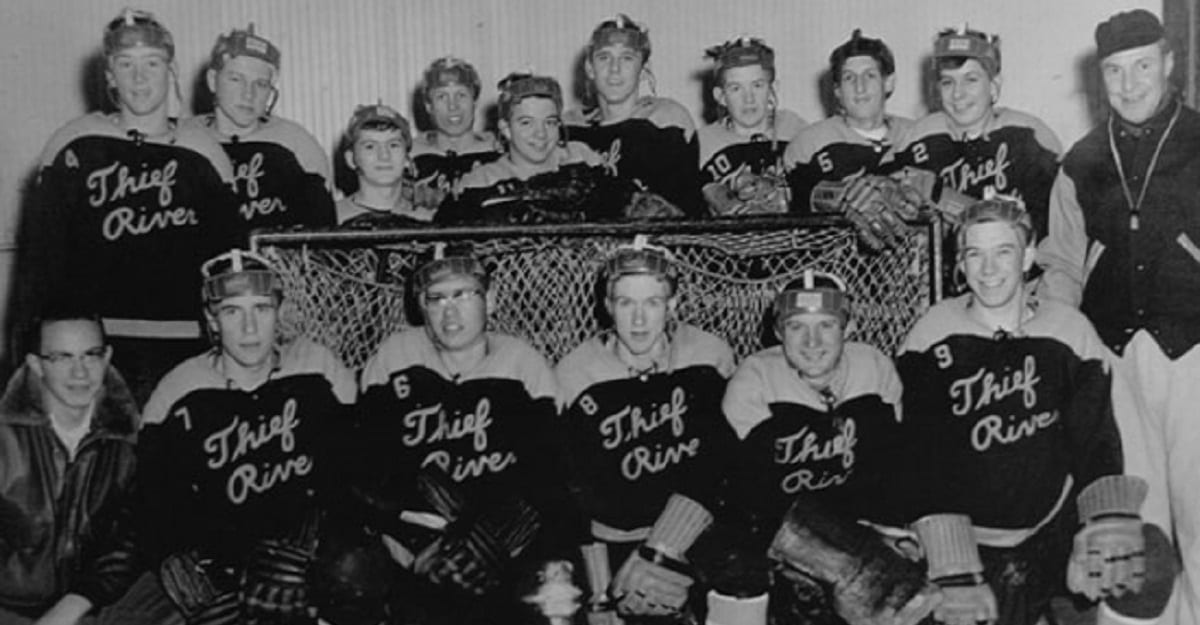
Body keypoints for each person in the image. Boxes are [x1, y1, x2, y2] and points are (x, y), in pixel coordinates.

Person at [898, 196, 1150, 625]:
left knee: (1142, 574)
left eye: (1003, 252)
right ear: (960, 262)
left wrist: (1108, 515)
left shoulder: (1068, 330)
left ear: (1028, 256)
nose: (989, 269)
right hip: (971, 545)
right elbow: (919, 458)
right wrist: (950, 561)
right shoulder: (931, 334)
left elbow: (1096, 437)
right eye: (974, 255)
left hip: (1053, 533)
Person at [1038, 9, 1197, 624]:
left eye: (1142, 68)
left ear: (1168, 64)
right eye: (1114, 72)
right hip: (1113, 359)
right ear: (1098, 78)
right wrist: (1064, 353)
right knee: (1130, 534)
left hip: (1194, 359)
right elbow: (1059, 264)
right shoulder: (1079, 160)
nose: (1130, 85)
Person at [23, 8, 241, 406]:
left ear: (171, 71)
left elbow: (227, 272)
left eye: (152, 64)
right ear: (109, 76)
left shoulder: (204, 155)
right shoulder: (75, 145)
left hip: (185, 353)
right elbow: (39, 272)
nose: (139, 78)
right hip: (95, 359)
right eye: (126, 65)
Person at [354, 244, 574, 624]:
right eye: (436, 299)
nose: (449, 312)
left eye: (462, 295)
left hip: (501, 546)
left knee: (554, 596)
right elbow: (364, 467)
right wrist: (407, 534)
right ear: (420, 306)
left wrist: (500, 539)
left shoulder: (522, 363)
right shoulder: (393, 357)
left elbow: (549, 473)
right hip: (419, 546)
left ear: (490, 299)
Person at [134, 248, 356, 623]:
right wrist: (174, 555)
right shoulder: (178, 390)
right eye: (232, 312)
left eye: (262, 309)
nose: (250, 328)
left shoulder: (319, 368)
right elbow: (153, 500)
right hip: (226, 569)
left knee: (358, 569)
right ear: (212, 320)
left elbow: (355, 470)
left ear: (279, 312)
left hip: (307, 560)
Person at [720, 271, 936, 625]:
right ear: (777, 332)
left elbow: (894, 468)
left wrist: (892, 531)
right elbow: (756, 500)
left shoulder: (874, 367)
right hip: (786, 544)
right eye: (796, 327)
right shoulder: (754, 378)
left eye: (826, 326)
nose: (812, 341)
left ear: (848, 328)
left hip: (865, 534)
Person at [554, 237, 737, 621]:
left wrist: (665, 549)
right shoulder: (575, 372)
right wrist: (600, 593)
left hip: (692, 536)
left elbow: (722, 463)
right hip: (613, 543)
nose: (639, 320)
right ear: (607, 307)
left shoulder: (708, 357)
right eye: (626, 303)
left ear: (672, 305)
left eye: (652, 303)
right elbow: (571, 493)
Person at [0, 307, 139, 624]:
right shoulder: (5, 437)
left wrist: (75, 605)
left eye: (91, 355)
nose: (80, 373)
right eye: (62, 358)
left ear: (107, 358)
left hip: (88, 607)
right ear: (36, 365)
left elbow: (129, 543)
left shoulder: (132, 442)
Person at [890, 26, 1062, 246]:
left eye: (971, 79)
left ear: (993, 86)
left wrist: (945, 198)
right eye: (947, 82)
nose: (958, 93)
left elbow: (1057, 233)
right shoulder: (916, 139)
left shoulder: (1030, 136)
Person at [185, 24, 336, 235]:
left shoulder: (295, 142)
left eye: (261, 84)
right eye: (236, 79)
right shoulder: (184, 137)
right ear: (212, 80)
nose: (249, 94)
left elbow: (322, 229)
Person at [564, 14, 703, 217]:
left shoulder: (666, 118)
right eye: (604, 57)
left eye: (627, 58)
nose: (614, 69)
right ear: (589, 68)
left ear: (644, 70)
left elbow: (676, 207)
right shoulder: (568, 126)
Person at [442, 72, 626, 223]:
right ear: (506, 129)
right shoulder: (481, 181)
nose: (541, 134)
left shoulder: (580, 158)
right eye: (526, 123)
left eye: (550, 122)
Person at [785, 29, 913, 214]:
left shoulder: (916, 136)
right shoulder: (808, 144)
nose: (859, 87)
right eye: (849, 77)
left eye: (869, 75)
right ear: (837, 90)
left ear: (888, 82)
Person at [698, 36, 805, 216]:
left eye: (757, 85)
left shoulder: (796, 130)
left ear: (773, 89)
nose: (748, 99)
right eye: (736, 88)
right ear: (720, 96)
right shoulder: (702, 143)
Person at [410, 56, 502, 198]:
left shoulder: (500, 155)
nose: (453, 106)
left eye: (461, 95)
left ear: (475, 101)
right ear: (429, 106)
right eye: (442, 97)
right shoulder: (409, 159)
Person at [335, 102, 436, 226]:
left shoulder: (431, 222)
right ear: (351, 159)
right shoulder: (331, 220)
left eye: (393, 145)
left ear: (407, 158)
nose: (384, 155)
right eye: (370, 146)